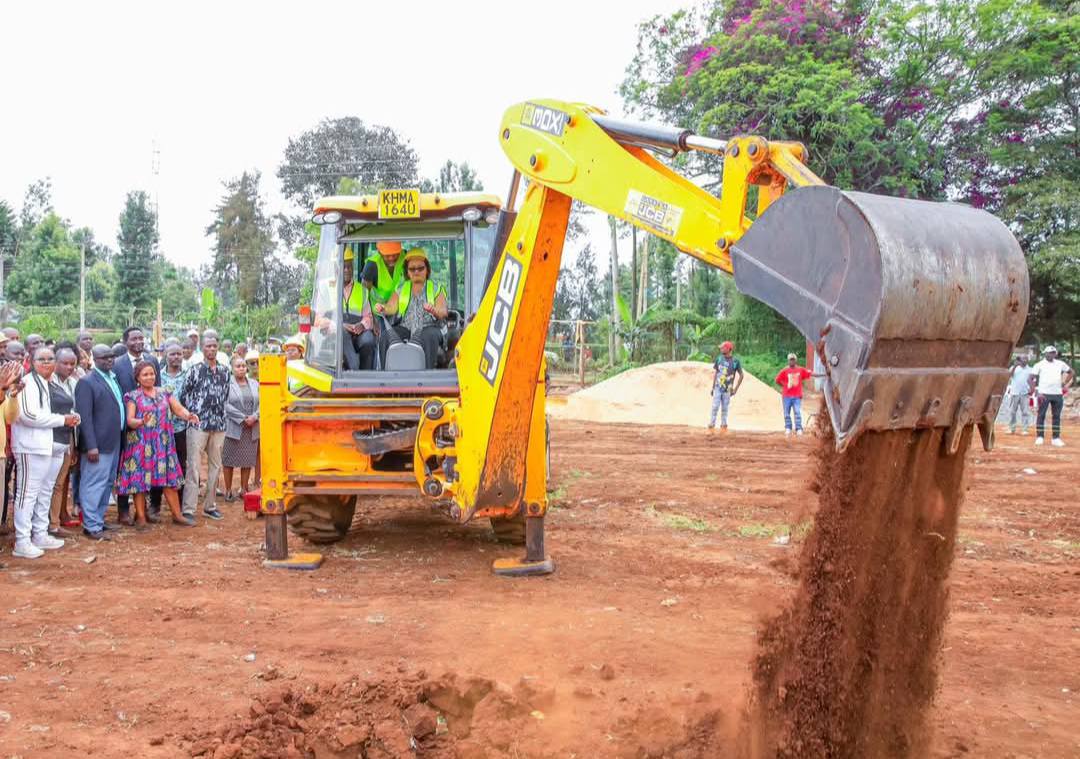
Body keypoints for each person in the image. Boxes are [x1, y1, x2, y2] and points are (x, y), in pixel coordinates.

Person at [11, 347, 80, 558]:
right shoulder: (27, 383)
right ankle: (22, 541)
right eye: (42, 359)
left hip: (50, 445)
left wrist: (71, 417)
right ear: (31, 361)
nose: (47, 362)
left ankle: (40, 534)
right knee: (27, 494)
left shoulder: (49, 383)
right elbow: (28, 415)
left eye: (50, 359)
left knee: (45, 491)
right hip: (30, 446)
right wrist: (62, 420)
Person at [117, 361, 200, 528]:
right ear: (138, 378)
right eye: (145, 375)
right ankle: (140, 517)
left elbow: (178, 409)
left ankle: (177, 515)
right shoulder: (133, 396)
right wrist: (141, 421)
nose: (149, 377)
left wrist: (189, 416)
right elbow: (130, 420)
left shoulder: (165, 393)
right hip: (140, 444)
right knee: (139, 481)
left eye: (152, 374)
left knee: (169, 480)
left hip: (163, 444)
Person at [74, 345, 126, 540]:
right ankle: (91, 525)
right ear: (94, 359)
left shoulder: (112, 378)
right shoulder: (87, 382)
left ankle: (98, 519)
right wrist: (91, 445)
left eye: (111, 356)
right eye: (104, 357)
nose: (109, 360)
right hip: (97, 445)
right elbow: (84, 417)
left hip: (113, 441)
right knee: (93, 484)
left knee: (106, 483)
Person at [112, 326, 162, 522]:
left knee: (154, 464)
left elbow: (156, 389)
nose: (139, 342)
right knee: (127, 467)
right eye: (134, 339)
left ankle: (153, 508)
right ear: (126, 342)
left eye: (141, 338)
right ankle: (123, 510)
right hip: (128, 425)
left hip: (152, 427)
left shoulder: (152, 361)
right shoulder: (117, 364)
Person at [180, 334, 230, 521]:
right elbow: (183, 394)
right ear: (202, 348)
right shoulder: (194, 371)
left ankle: (210, 506)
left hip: (219, 425)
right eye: (208, 346)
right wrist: (193, 413)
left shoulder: (225, 371)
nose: (211, 349)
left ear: (217, 348)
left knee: (215, 466)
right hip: (198, 425)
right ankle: (189, 509)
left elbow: (224, 396)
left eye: (214, 346)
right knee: (193, 466)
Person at [375, 248, 448, 370]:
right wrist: (383, 308)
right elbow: (392, 307)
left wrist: (433, 310)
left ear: (427, 269)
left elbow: (443, 312)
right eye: (412, 269)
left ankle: (426, 377)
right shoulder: (402, 287)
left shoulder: (436, 288)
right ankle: (386, 377)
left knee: (427, 336)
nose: (416, 272)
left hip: (430, 326)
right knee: (386, 337)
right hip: (406, 327)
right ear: (407, 271)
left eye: (420, 268)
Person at [48, 348, 80, 536]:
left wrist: (73, 444)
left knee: (60, 482)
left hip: (67, 437)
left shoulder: (73, 382)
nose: (69, 367)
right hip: (50, 438)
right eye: (65, 363)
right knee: (49, 483)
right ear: (56, 363)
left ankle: (55, 521)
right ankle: (47, 523)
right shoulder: (47, 382)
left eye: (72, 363)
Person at [222, 355, 260, 501]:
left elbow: (262, 403)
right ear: (232, 369)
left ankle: (244, 489)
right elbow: (225, 404)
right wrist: (243, 418)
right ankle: (228, 490)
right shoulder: (227, 384)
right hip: (234, 426)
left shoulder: (254, 383)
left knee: (247, 459)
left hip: (252, 427)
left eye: (244, 366)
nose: (242, 368)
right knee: (228, 459)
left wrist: (254, 417)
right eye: (238, 366)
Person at [1029, 346, 1074, 447]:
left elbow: (1071, 372)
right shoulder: (1039, 364)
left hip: (1057, 393)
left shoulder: (1060, 364)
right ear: (1045, 353)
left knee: (1056, 416)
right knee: (1041, 415)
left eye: (1053, 352)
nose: (1051, 354)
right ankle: (1040, 437)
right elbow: (1031, 378)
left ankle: (1056, 438)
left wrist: (1064, 383)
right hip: (1043, 393)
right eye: (1049, 353)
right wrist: (1035, 391)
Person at [341, 248, 378, 370]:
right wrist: (340, 325)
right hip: (335, 335)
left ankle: (366, 378)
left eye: (350, 266)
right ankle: (354, 372)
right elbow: (320, 318)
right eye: (344, 266)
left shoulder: (362, 290)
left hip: (357, 333)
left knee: (368, 340)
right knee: (342, 334)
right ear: (336, 267)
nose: (347, 270)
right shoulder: (326, 288)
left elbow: (369, 317)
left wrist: (362, 325)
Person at [774, 352, 814, 436]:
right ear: (788, 361)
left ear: (796, 361)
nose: (792, 361)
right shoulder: (785, 370)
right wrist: (784, 385)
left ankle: (799, 428)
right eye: (790, 360)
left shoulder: (800, 370)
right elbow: (777, 380)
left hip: (797, 396)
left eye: (793, 360)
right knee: (786, 413)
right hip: (786, 396)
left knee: (797, 412)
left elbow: (810, 373)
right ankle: (788, 428)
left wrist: (824, 375)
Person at [709, 341, 744, 432]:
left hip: (727, 389)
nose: (721, 349)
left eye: (723, 348)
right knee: (715, 406)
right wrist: (713, 387)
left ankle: (723, 425)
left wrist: (735, 389)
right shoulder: (719, 359)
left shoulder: (735, 361)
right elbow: (716, 373)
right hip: (718, 387)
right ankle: (712, 424)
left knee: (725, 408)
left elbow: (741, 375)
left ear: (729, 349)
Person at [362, 240, 407, 307]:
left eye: (395, 254)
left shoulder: (406, 258)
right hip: (378, 311)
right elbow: (364, 295)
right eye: (387, 255)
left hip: (400, 308)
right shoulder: (371, 265)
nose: (391, 258)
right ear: (379, 253)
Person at [1005, 354, 1034, 434]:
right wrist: (1014, 366)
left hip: (1025, 393)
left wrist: (1032, 389)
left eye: (1026, 358)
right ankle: (1012, 428)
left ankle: (1025, 429)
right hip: (1014, 392)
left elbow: (1033, 380)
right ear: (1020, 360)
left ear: (1028, 360)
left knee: (1025, 412)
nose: (1024, 360)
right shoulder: (1014, 368)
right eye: (1023, 358)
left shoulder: (1030, 369)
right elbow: (1009, 375)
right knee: (1012, 412)